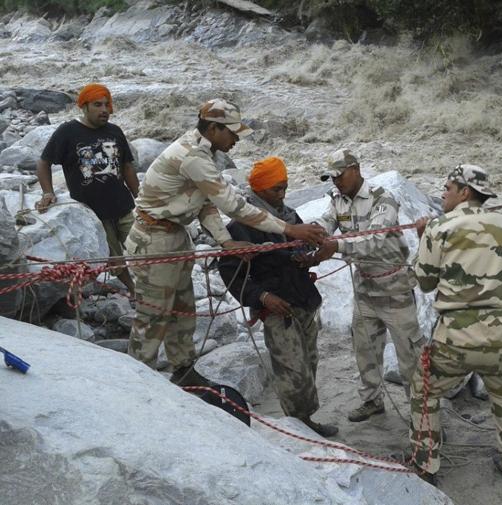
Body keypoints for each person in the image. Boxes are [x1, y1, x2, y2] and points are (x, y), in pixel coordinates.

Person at [126, 99, 326, 386]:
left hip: (175, 235)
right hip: (154, 240)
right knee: (154, 315)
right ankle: (135, 379)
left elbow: (204, 201)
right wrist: (290, 230)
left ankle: (183, 369)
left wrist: (224, 241)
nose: (235, 140)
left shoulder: (204, 152)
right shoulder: (193, 156)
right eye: (232, 133)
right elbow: (233, 205)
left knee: (183, 309)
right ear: (213, 128)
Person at [409, 164, 502, 489]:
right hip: (499, 339)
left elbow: (424, 282)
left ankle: (426, 465)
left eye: (447, 188)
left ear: (464, 191)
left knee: (423, 391)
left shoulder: (438, 226)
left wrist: (422, 237)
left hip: (454, 340)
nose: (443, 193)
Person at [218, 156, 338, 438]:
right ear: (259, 190)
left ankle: (304, 420)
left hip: (303, 300)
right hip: (277, 309)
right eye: (276, 190)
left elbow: (297, 255)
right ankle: (301, 427)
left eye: (284, 188)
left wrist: (316, 257)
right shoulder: (241, 227)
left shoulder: (289, 217)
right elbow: (230, 271)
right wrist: (261, 297)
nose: (282, 195)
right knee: (291, 371)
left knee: (308, 363)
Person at [313, 149, 424, 422]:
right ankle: (372, 401)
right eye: (332, 178)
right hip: (364, 290)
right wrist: (307, 237)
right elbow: (324, 224)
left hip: (395, 288)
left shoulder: (381, 198)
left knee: (410, 356)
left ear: (356, 168)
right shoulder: (337, 200)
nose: (336, 182)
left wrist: (334, 246)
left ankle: (423, 415)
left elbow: (373, 240)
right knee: (365, 351)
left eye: (340, 175)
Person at [35, 83, 139, 296]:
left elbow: (127, 166)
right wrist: (48, 192)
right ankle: (134, 290)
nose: (104, 110)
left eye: (107, 105)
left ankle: (153, 287)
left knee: (144, 249)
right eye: (97, 105)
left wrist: (142, 197)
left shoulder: (115, 131)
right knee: (114, 258)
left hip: (123, 206)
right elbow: (43, 163)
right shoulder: (68, 132)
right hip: (93, 213)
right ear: (84, 107)